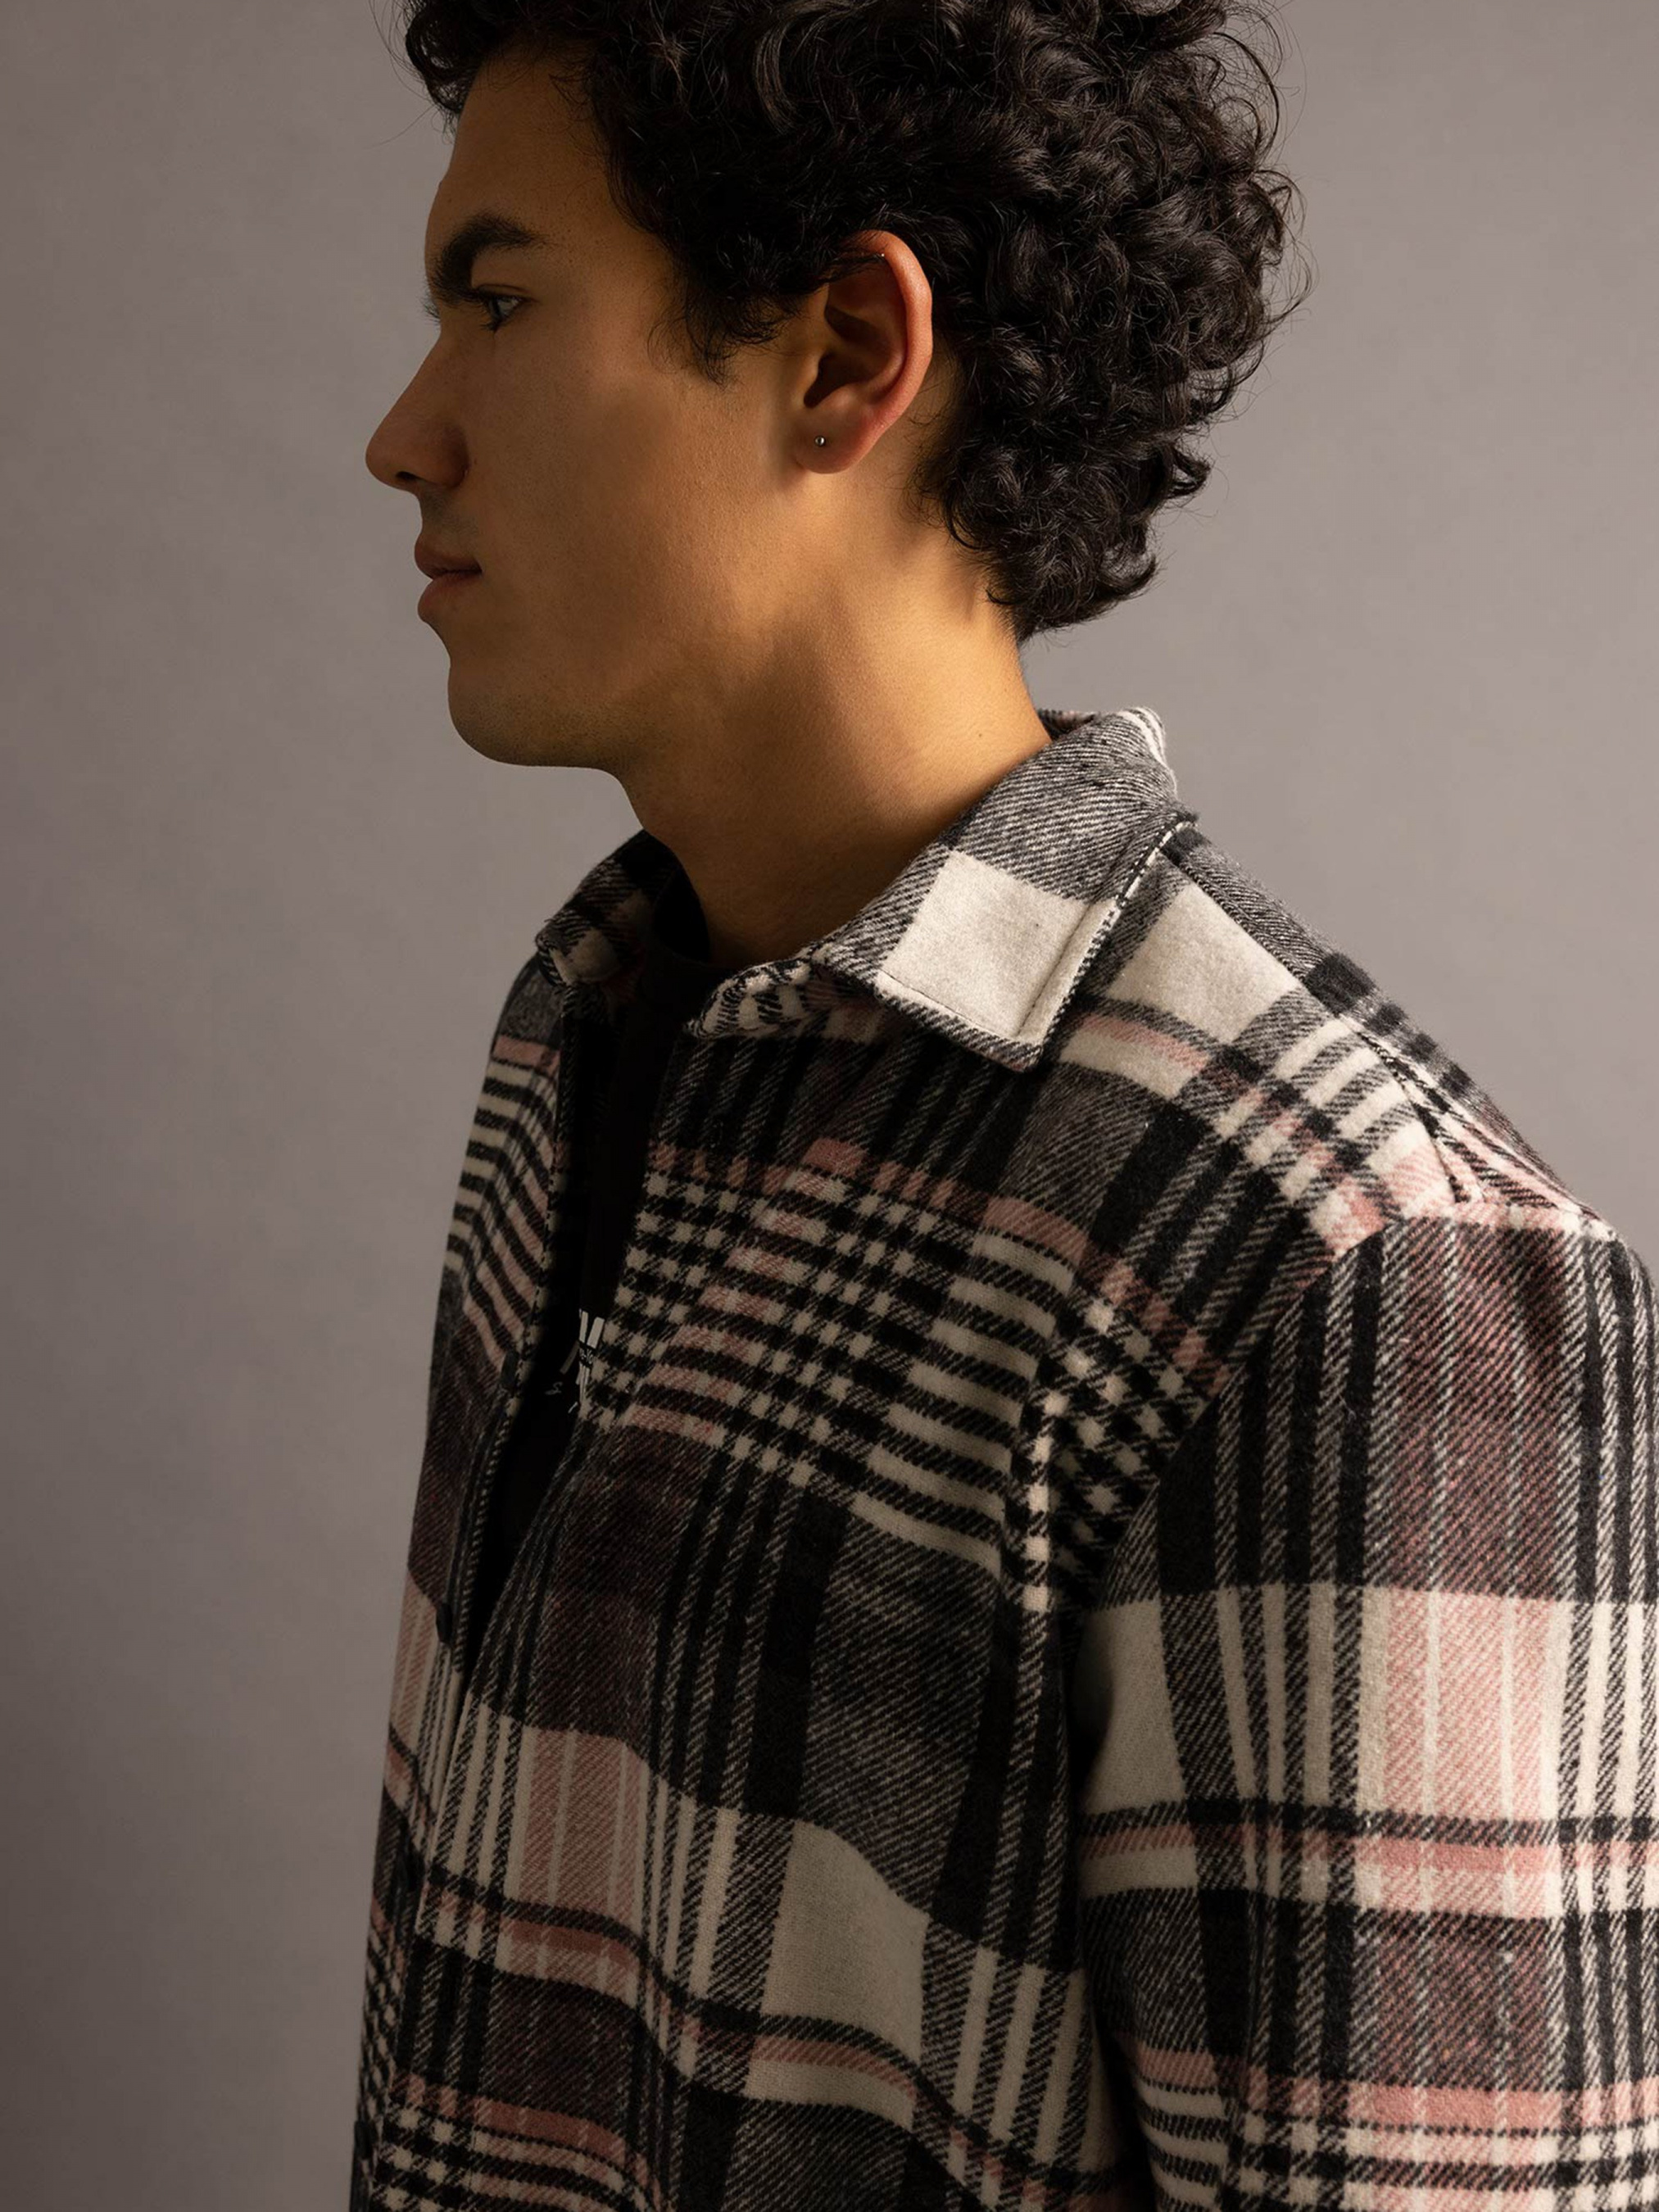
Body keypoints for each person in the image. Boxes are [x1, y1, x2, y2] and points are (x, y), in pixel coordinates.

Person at [351, 5, 1659, 2209]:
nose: (402, 436)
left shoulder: (1352, 1261)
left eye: (496, 302)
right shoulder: (584, 1041)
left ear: (849, 353)